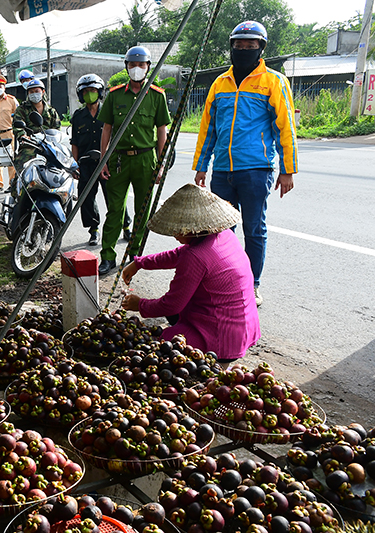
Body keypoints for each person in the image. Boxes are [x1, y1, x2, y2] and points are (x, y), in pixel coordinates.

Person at [193, 20, 297, 307]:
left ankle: (252, 284)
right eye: (239, 45)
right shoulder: (219, 83)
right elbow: (208, 128)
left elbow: (284, 127)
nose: (243, 50)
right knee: (220, 232)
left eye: (250, 46)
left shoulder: (273, 81)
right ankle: (223, 279)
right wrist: (202, 165)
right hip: (222, 171)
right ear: (232, 47)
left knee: (254, 229)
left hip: (255, 170)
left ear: (260, 48)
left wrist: (287, 170)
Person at [121, 183, 261, 364]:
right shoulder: (224, 235)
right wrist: (140, 263)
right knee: (173, 319)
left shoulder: (195, 256)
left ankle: (218, 361)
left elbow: (171, 305)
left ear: (193, 229)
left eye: (178, 230)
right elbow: (177, 254)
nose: (175, 235)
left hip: (222, 337)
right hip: (245, 328)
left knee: (157, 348)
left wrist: (140, 305)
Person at [97, 45, 170, 276]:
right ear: (126, 67)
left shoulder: (157, 96)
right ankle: (107, 256)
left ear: (148, 67)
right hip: (118, 159)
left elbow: (161, 131)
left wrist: (161, 162)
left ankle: (134, 256)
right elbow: (107, 128)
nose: (136, 69)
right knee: (114, 211)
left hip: (145, 159)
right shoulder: (115, 94)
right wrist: (104, 159)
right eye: (132, 65)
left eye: (141, 65)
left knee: (142, 211)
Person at [71, 73, 107, 247]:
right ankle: (94, 229)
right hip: (85, 164)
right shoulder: (78, 117)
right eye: (85, 92)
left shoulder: (109, 112)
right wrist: (75, 165)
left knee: (114, 197)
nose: (89, 94)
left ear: (99, 92)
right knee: (86, 198)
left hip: (106, 163)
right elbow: (75, 143)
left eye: (92, 90)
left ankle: (125, 225)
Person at [12, 79, 61, 173]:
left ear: (43, 92)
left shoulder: (51, 111)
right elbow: (17, 125)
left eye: (37, 91)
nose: (34, 94)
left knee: (59, 171)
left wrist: (55, 140)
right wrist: (22, 136)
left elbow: (57, 129)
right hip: (29, 145)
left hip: (48, 146)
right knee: (21, 171)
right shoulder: (22, 109)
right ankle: (16, 186)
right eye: (31, 92)